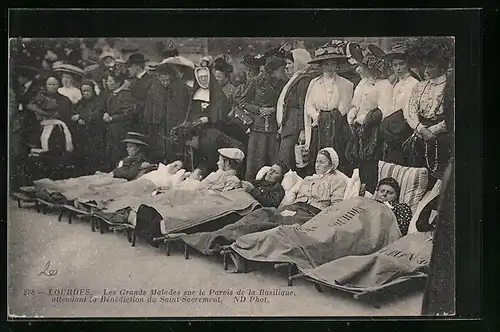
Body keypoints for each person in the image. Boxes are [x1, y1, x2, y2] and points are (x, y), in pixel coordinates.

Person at [182, 148, 347, 258]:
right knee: (261, 214)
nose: (317, 165)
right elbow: (295, 199)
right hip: (294, 208)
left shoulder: (338, 181)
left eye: (322, 162)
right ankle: (213, 238)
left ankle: (230, 244)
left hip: (311, 214)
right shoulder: (308, 179)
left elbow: (336, 207)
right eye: (317, 161)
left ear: (331, 165)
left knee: (271, 226)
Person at [345, 44, 393, 193]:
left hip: (374, 133)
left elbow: (384, 111)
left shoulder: (384, 85)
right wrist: (352, 112)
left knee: (371, 167)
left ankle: (370, 193)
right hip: (360, 132)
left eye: (361, 66)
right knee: (356, 165)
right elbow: (356, 103)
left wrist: (364, 118)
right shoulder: (362, 83)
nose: (357, 70)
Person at [304, 41, 354, 176]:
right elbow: (309, 105)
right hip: (320, 124)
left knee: (338, 154)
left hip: (337, 125)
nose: (330, 67)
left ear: (337, 65)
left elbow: (345, 105)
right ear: (321, 66)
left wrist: (333, 117)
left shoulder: (346, 84)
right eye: (326, 64)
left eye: (333, 64)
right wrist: (317, 116)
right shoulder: (314, 83)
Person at [406, 44, 453, 181]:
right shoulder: (419, 86)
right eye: (426, 66)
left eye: (431, 66)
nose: (426, 70)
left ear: (442, 68)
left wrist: (432, 131)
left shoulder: (450, 87)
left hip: (442, 134)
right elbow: (411, 112)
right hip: (421, 132)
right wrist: (422, 130)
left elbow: (452, 116)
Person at [237, 57, 288, 180]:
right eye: (281, 70)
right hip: (257, 127)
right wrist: (258, 109)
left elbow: (286, 103)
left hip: (274, 127)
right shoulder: (255, 81)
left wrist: (273, 109)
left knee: (273, 161)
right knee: (256, 161)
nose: (284, 72)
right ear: (273, 70)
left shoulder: (284, 84)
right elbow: (243, 101)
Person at [276, 48, 316, 171]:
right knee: (286, 161)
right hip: (288, 127)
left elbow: (302, 107)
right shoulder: (295, 79)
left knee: (288, 162)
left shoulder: (303, 80)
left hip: (294, 129)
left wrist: (302, 130)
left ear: (298, 63)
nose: (286, 67)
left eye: (289, 63)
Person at [380, 44, 420, 165]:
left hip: (405, 129)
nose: (398, 68)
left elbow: (411, 110)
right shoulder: (397, 84)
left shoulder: (414, 83)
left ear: (408, 64)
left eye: (401, 64)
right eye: (395, 65)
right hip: (393, 129)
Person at [144, 63, 190, 164]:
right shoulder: (154, 89)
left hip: (173, 123)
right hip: (158, 124)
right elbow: (149, 107)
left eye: (168, 80)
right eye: (163, 80)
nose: (165, 83)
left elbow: (183, 107)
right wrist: (149, 121)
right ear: (158, 77)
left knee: (173, 148)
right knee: (159, 149)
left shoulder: (179, 88)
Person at [26, 76, 74, 154]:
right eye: (49, 84)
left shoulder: (64, 99)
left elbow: (62, 114)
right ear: (46, 85)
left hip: (57, 130)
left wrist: (44, 113)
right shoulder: (39, 98)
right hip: (40, 128)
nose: (51, 87)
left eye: (54, 84)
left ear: (59, 85)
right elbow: (30, 107)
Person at [102, 72, 137, 171]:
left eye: (110, 81)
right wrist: (105, 113)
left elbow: (128, 113)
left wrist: (113, 118)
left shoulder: (125, 95)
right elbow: (106, 108)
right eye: (108, 81)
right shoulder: (110, 94)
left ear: (118, 83)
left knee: (119, 151)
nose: (108, 83)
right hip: (111, 129)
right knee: (111, 151)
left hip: (121, 129)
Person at [72, 80, 107, 173]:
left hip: (94, 132)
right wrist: (78, 119)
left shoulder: (98, 101)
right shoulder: (80, 103)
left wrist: (81, 117)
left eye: (88, 91)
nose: (86, 93)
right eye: (84, 91)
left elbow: (96, 114)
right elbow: (73, 114)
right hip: (81, 133)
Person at [126, 53, 156, 133]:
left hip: (145, 120)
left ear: (138, 67)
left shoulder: (151, 81)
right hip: (133, 120)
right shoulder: (133, 82)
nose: (128, 69)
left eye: (130, 66)